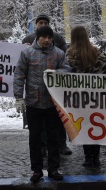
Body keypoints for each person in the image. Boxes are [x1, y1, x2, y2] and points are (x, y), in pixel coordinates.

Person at [14, 25, 71, 183]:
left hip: (53, 103)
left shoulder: (58, 54)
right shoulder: (27, 53)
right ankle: (37, 170)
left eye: (49, 37)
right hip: (33, 103)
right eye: (44, 37)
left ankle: (53, 169)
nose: (47, 40)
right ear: (37, 38)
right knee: (35, 138)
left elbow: (68, 70)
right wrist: (19, 97)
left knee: (53, 138)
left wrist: (57, 73)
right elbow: (19, 75)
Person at [66, 26, 106, 168]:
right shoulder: (95, 51)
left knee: (84, 126)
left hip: (80, 96)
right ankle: (97, 158)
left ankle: (88, 158)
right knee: (96, 125)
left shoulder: (70, 54)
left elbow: (66, 74)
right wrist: (98, 77)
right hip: (97, 95)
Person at [22, 14, 72, 156]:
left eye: (45, 22)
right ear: (36, 25)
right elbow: (20, 70)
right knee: (38, 128)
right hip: (35, 95)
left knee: (59, 121)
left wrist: (55, 72)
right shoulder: (27, 41)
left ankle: (61, 145)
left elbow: (66, 62)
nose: (43, 25)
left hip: (55, 93)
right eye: (40, 22)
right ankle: (42, 149)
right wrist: (19, 96)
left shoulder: (58, 39)